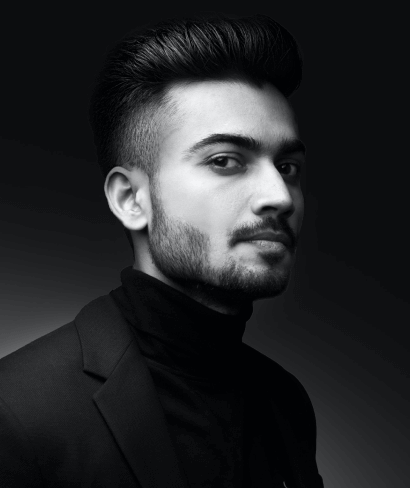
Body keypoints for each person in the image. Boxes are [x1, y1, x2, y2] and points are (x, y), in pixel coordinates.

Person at [0, 14, 324, 488]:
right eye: (225, 161)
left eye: (288, 166)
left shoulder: (286, 402)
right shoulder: (15, 410)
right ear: (131, 199)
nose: (280, 195)